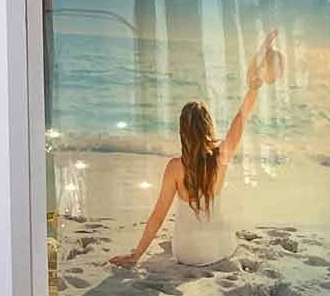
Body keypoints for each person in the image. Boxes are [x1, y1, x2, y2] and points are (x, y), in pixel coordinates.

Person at [109, 29, 278, 268]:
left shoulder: (175, 168)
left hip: (185, 252)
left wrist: (136, 255)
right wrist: (254, 83)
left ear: (182, 131)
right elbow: (242, 115)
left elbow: (158, 215)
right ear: (208, 126)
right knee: (227, 229)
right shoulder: (222, 155)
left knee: (180, 230)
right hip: (215, 251)